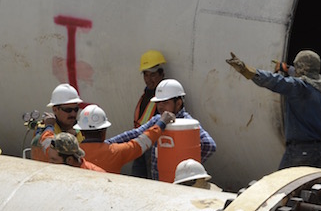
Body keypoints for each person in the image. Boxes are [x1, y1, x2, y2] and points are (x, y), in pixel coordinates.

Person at [225, 50, 321, 170]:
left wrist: (246, 70)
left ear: (302, 67)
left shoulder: (301, 87)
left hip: (300, 152)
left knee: (284, 186)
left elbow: (276, 81)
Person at [145, 79, 217, 181]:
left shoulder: (187, 123)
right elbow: (136, 133)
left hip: (178, 182)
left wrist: (188, 168)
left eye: (165, 102)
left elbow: (210, 145)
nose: (160, 106)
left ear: (178, 103)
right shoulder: (158, 119)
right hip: (159, 181)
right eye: (158, 102)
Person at [77, 104, 172, 174]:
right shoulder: (115, 152)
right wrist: (161, 124)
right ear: (103, 131)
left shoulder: (73, 154)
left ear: (81, 132)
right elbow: (141, 143)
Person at [130, 50, 166, 178]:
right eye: (146, 75)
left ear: (161, 74)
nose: (148, 79)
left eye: (152, 75)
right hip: (140, 145)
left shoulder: (165, 96)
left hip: (153, 149)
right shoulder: (146, 94)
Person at [29, 83, 84, 162]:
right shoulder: (43, 131)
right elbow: (47, 148)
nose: (73, 114)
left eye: (76, 109)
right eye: (68, 110)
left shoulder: (83, 129)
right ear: (55, 109)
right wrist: (49, 127)